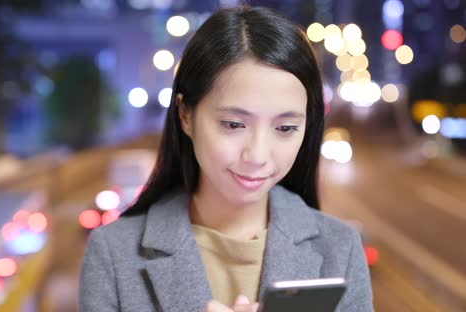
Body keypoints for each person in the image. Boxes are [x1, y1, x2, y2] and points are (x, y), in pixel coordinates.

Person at [79, 5, 373, 312]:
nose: (258, 155)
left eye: (285, 128)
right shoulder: (113, 254)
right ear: (185, 115)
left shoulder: (340, 250)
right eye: (233, 124)